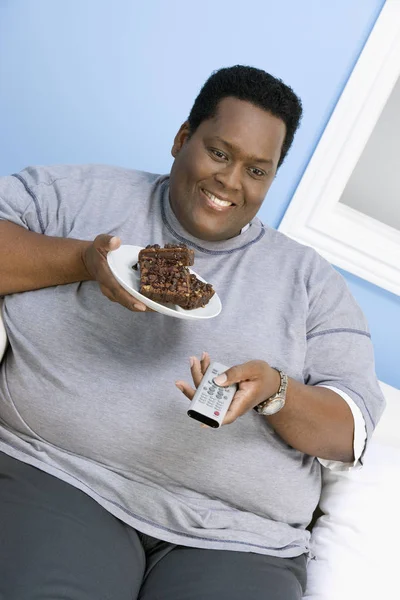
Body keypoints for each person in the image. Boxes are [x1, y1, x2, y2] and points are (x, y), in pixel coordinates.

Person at [0, 65, 385, 600]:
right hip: (65, 478)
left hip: (238, 538)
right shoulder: (76, 196)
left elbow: (350, 430)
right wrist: (85, 261)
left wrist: (274, 393)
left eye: (257, 170)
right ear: (183, 138)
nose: (231, 182)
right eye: (220, 153)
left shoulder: (310, 282)